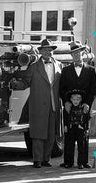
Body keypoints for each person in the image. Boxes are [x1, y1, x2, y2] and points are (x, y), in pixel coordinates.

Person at [10, 39, 62, 168]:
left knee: (51, 133)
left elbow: (62, 85)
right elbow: (25, 83)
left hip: (53, 104)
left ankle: (46, 159)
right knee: (38, 133)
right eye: (45, 50)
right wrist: (15, 84)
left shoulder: (59, 65)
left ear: (52, 52)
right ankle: (37, 160)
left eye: (49, 50)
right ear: (40, 52)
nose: (47, 53)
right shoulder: (34, 67)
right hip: (38, 104)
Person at [59, 40, 96, 168]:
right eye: (73, 53)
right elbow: (61, 89)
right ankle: (68, 161)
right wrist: (66, 102)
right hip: (70, 108)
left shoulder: (91, 70)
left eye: (78, 53)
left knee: (83, 135)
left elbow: (93, 90)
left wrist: (88, 103)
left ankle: (83, 161)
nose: (76, 55)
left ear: (82, 53)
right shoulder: (65, 71)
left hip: (84, 108)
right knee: (69, 135)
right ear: (71, 55)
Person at [62, 90, 91, 169]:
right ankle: (69, 162)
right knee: (70, 146)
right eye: (74, 99)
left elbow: (86, 118)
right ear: (71, 100)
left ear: (81, 100)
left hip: (80, 129)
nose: (75, 101)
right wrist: (65, 126)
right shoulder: (69, 108)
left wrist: (86, 128)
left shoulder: (83, 108)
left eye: (77, 99)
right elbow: (66, 118)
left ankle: (80, 163)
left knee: (81, 146)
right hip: (71, 128)